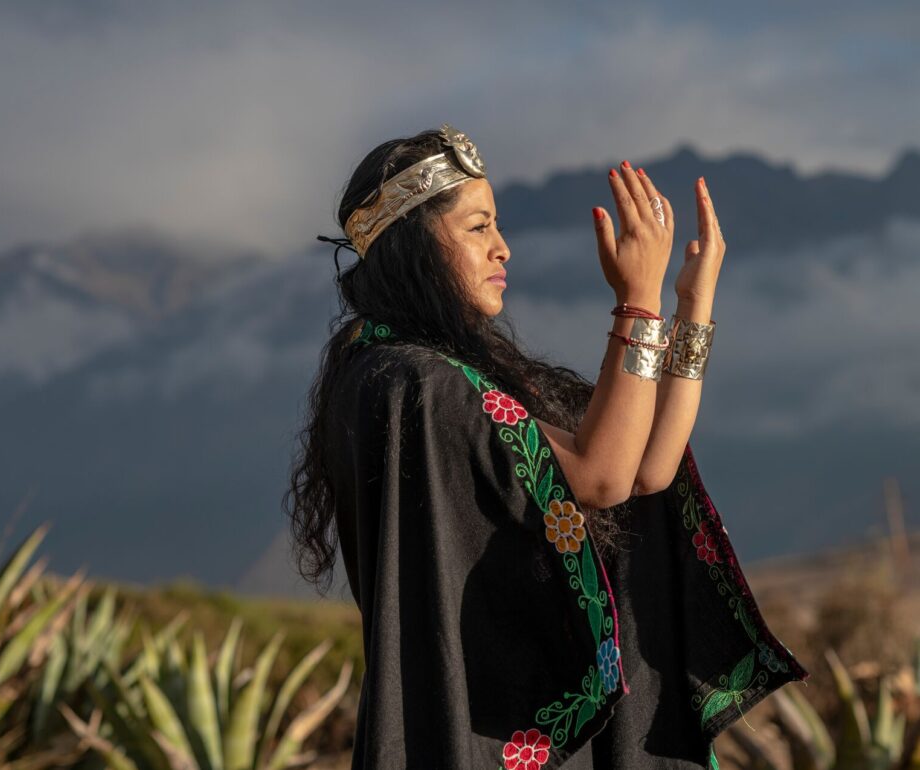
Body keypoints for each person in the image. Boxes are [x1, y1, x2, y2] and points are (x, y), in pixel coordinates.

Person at [285, 125, 807, 769]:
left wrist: (691, 307)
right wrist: (637, 304)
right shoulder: (414, 384)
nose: (502, 248)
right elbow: (602, 475)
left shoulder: (443, 377)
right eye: (478, 228)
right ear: (416, 244)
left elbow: (646, 470)